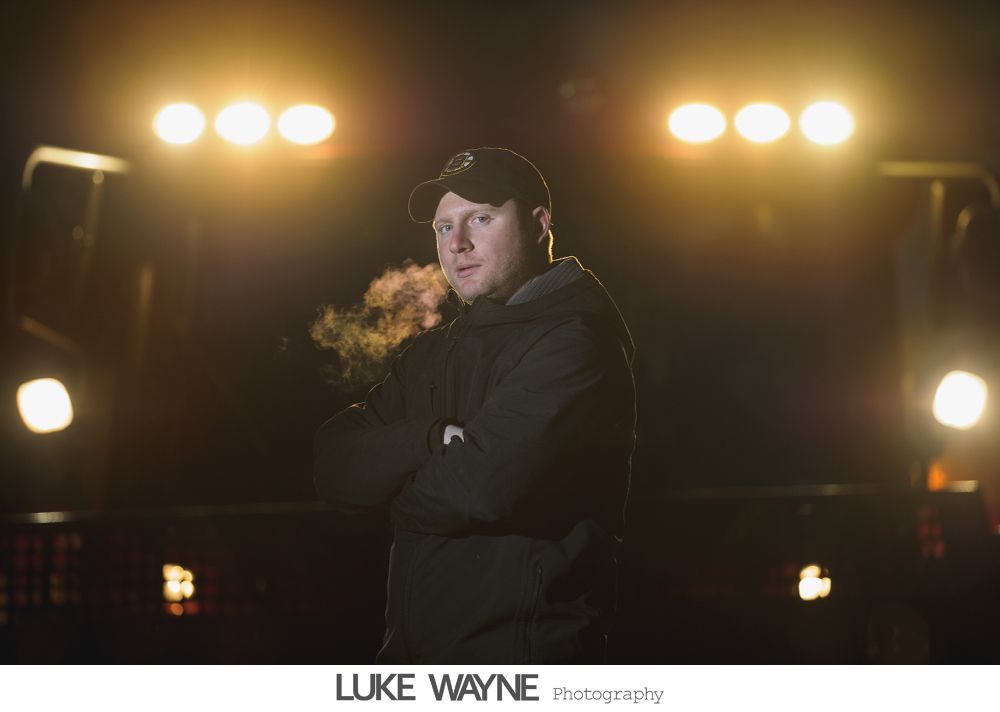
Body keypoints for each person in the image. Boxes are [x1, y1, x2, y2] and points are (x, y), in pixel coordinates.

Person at [314, 147, 635, 663]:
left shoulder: (574, 342)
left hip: (521, 660)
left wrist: (389, 493)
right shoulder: (434, 350)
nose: (457, 244)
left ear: (539, 224)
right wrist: (429, 439)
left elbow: (477, 489)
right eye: (443, 228)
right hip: (413, 660)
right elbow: (331, 464)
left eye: (480, 219)